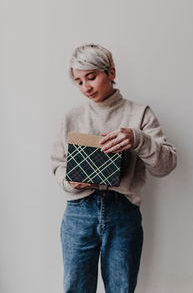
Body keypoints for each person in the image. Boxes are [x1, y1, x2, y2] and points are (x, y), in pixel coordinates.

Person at [50, 43, 177, 293]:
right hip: (78, 212)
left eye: (92, 76)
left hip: (123, 211)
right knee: (76, 288)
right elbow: (57, 165)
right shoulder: (70, 117)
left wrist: (138, 138)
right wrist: (69, 182)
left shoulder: (140, 114)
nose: (86, 87)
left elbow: (166, 166)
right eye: (79, 81)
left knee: (121, 288)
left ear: (111, 73)